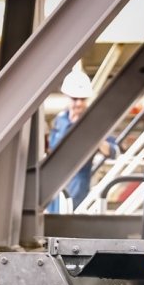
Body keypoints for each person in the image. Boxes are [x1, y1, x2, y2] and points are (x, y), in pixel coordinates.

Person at [46, 64, 118, 214]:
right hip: (54, 188)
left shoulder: (94, 122)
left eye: (82, 99)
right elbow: (51, 149)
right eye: (75, 99)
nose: (78, 103)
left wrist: (94, 137)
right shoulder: (60, 120)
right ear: (67, 97)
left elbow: (114, 151)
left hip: (77, 189)